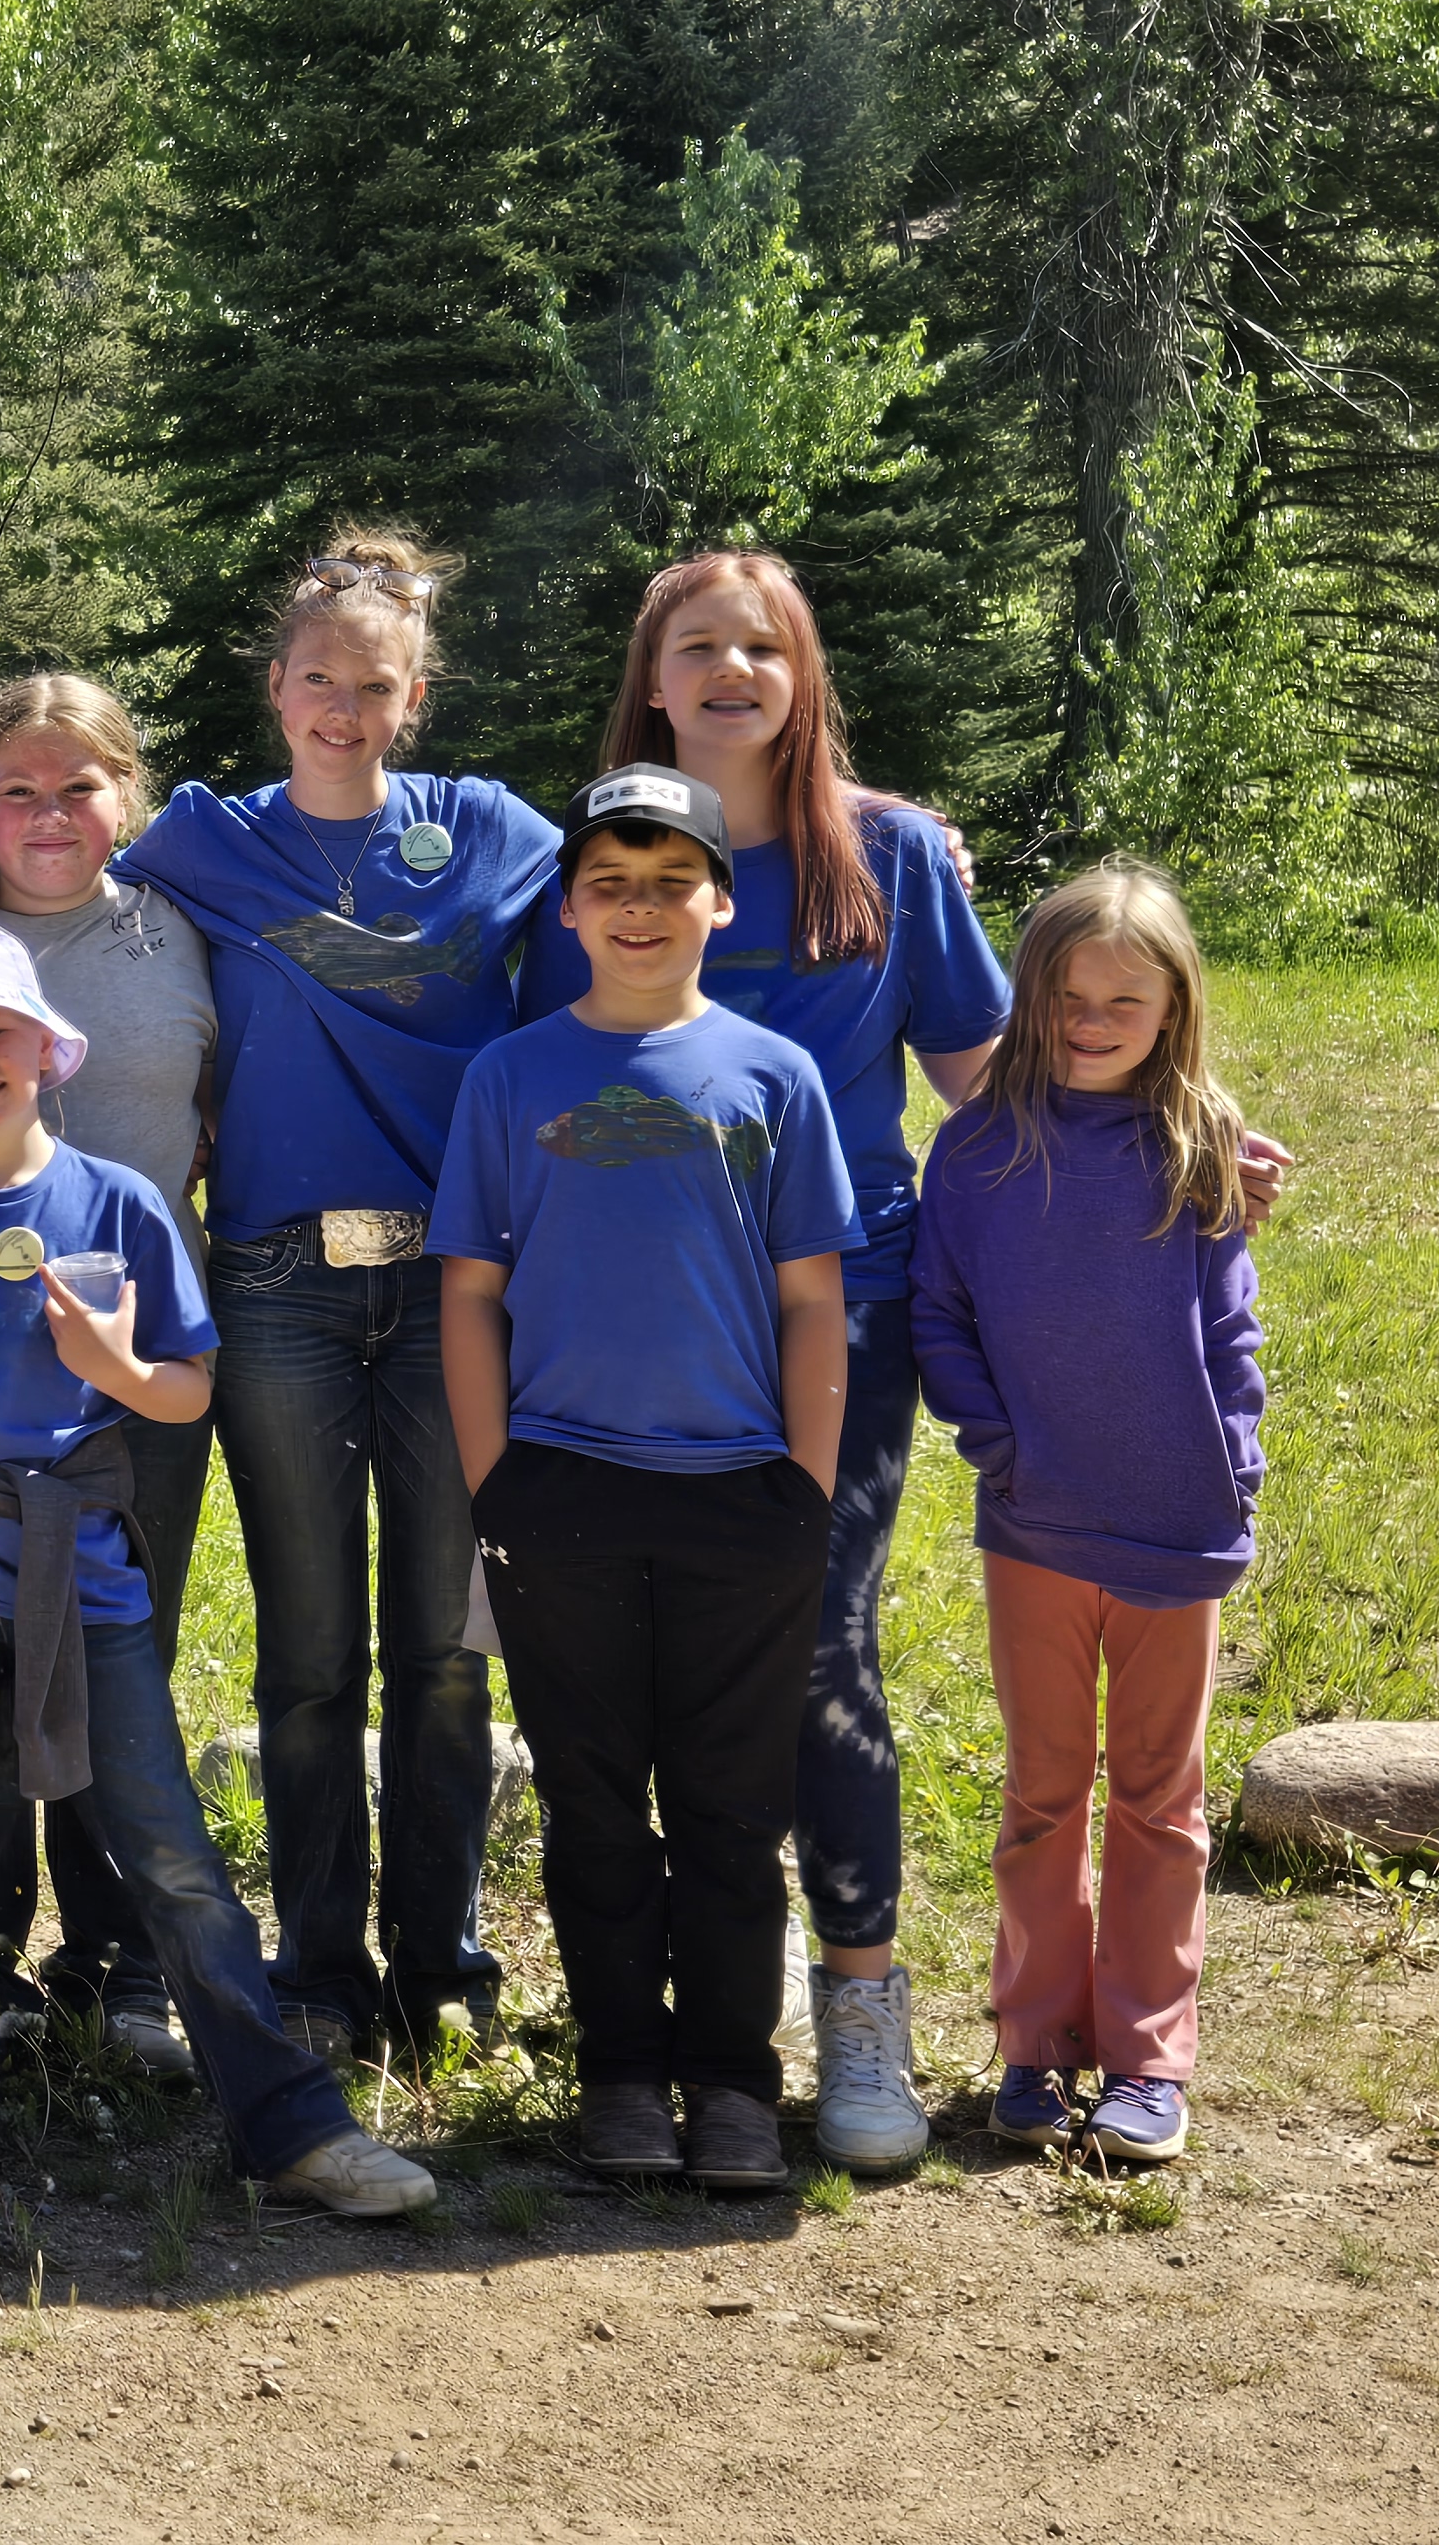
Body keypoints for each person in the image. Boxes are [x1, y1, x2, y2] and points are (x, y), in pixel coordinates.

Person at [525, 553, 1010, 2168]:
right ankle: (658, 2036)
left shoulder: (890, 859)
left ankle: (860, 2012)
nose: (732, 667)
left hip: (842, 1309)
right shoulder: (585, 862)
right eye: (699, 645)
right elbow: (521, 1084)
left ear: (802, 677)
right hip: (627, 1322)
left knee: (817, 1653)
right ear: (652, 679)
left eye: (764, 644)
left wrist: (1182, 1130)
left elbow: (990, 1075)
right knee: (636, 1672)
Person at [0, 921, 436, 2221]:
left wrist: (111, 1372)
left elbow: (184, 1391)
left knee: (164, 1848)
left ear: (47, 1047)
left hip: (85, 1574)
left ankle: (287, 2122)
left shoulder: (120, 1202)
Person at [120, 528, 560, 2072]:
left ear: (414, 694)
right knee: (309, 1651)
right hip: (276, 1287)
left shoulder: (492, 834)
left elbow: (667, 887)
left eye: (375, 686)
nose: (344, 709)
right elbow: (27, 866)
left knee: (445, 1649)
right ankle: (318, 1966)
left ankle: (440, 1962)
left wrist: (882, 824)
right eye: (319, 680)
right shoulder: (200, 841)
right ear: (276, 686)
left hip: (453, 1285)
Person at [435, 763, 855, 2192]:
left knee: (734, 1809)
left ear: (719, 902)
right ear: (565, 908)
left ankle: (733, 2079)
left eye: (672, 882)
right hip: (561, 1498)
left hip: (745, 1496)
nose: (639, 908)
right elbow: (470, 1296)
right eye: (610, 884)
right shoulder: (512, 1075)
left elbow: (812, 1298)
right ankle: (619, 2070)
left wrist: (806, 1480)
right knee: (594, 1802)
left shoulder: (773, 1075)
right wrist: (497, 1484)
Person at [0, 674, 221, 2083]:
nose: (50, 813)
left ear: (125, 797)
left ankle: (122, 1964)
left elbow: (225, 1101)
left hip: (132, 1366)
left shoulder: (179, 933)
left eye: (79, 785)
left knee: (114, 1654)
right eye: (17, 787)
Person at [911, 862, 1265, 2168]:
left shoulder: (1198, 1143)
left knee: (1160, 1800)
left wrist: (1234, 1456)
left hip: (1178, 1532)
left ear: (1174, 1010)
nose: (1096, 1019)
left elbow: (1232, 1328)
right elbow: (939, 1314)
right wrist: (997, 1441)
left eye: (1128, 998)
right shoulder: (980, 1151)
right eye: (1069, 997)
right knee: (1045, 1793)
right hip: (1038, 1532)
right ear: (1031, 998)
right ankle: (1034, 2039)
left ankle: (1149, 2056)